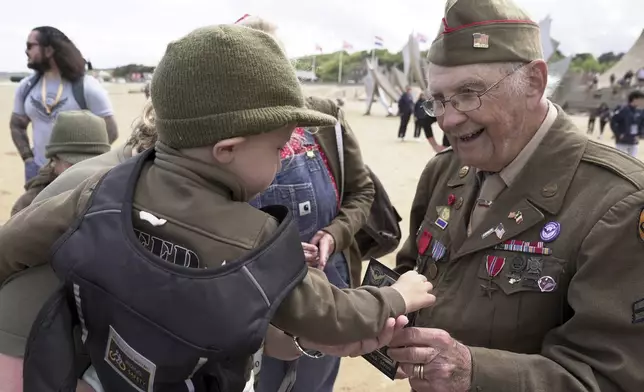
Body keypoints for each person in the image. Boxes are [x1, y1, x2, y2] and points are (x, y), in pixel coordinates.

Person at [0, 25, 434, 391]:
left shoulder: (102, 189)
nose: (284, 159)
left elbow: (13, 246)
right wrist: (398, 295)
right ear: (227, 149)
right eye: (279, 148)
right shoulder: (254, 240)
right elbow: (333, 317)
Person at [384, 0, 644, 391]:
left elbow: (611, 377)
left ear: (534, 82)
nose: (448, 118)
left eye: (469, 93)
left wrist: (475, 373)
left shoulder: (618, 202)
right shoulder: (444, 170)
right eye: (437, 99)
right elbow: (413, 274)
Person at [234, 15, 374, 392]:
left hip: (331, 286)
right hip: (255, 290)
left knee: (315, 382)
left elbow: (362, 193)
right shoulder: (225, 129)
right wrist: (270, 250)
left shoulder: (325, 117)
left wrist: (334, 234)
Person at [9, 26, 118, 184]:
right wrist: (28, 160)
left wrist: (83, 163)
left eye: (30, 46)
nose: (26, 51)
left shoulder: (87, 87)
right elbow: (16, 125)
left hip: (76, 175)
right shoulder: (26, 87)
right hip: (38, 172)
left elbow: (111, 130)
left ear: (49, 50)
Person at [10, 110, 111, 216]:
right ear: (54, 161)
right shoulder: (28, 206)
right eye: (74, 165)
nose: (84, 171)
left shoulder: (119, 194)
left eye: (92, 163)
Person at [611, 90, 644, 157]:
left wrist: (640, 135)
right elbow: (613, 121)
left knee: (632, 163)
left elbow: (642, 124)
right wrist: (618, 134)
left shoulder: (640, 111)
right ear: (635, 99)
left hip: (634, 142)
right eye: (641, 100)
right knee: (619, 161)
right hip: (622, 142)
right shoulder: (623, 109)